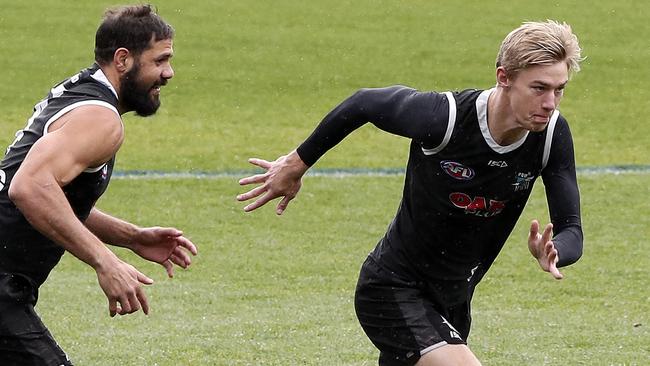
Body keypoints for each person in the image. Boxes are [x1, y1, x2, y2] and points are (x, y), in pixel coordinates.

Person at [237, 20, 583, 366]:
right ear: (504, 77)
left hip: (453, 301)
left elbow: (571, 230)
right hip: (392, 288)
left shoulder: (551, 136)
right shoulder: (445, 118)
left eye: (559, 89)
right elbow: (364, 103)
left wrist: (555, 252)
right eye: (539, 88)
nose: (550, 102)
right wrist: (297, 163)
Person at [0, 5, 197, 365]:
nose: (169, 73)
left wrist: (132, 237)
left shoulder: (83, 97)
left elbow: (49, 196)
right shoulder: (99, 119)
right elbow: (28, 188)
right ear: (123, 59)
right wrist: (106, 262)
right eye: (160, 60)